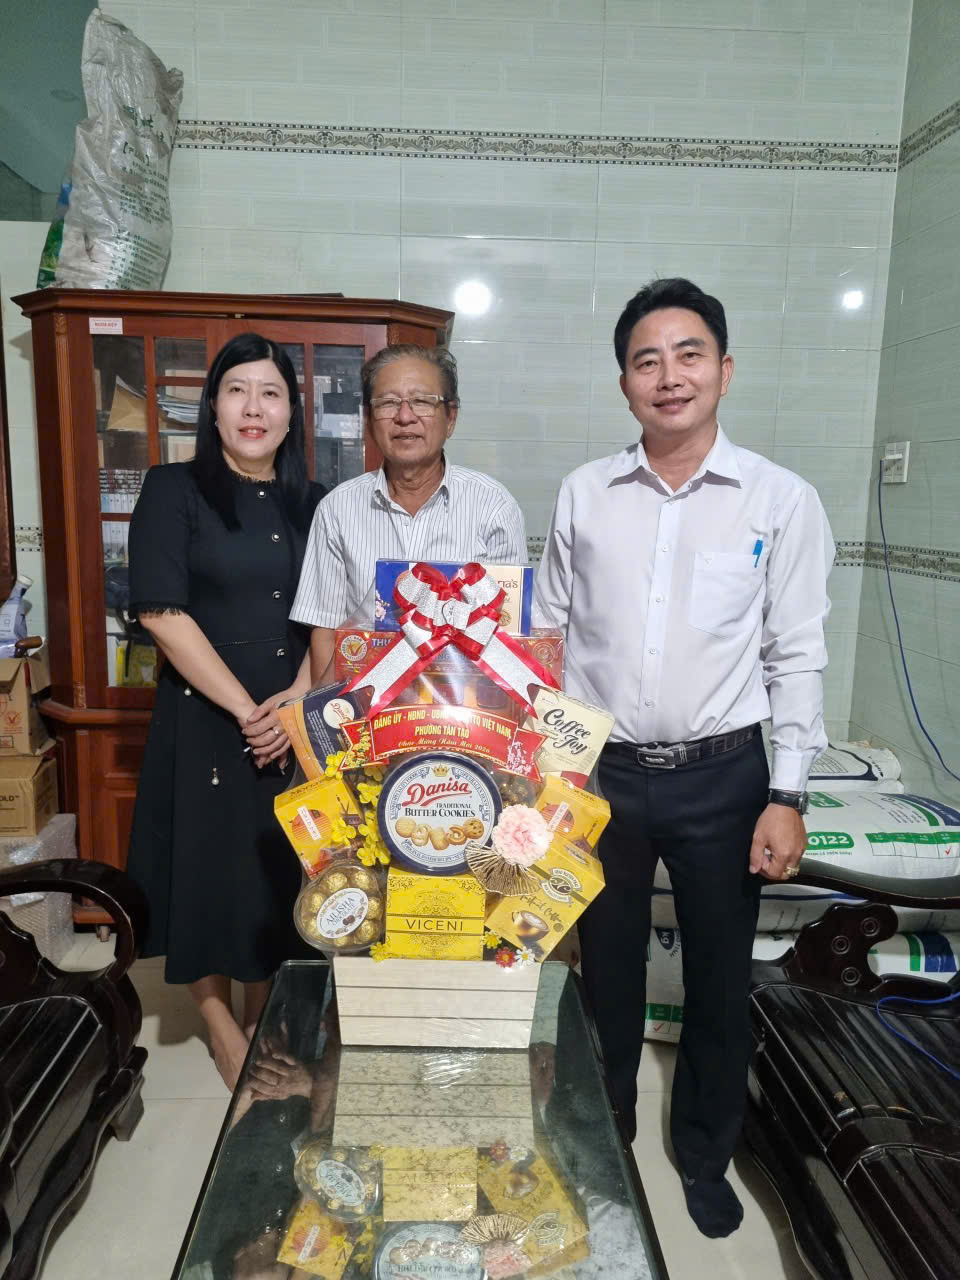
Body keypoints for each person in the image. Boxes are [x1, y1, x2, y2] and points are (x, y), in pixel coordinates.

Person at [536, 278, 834, 1239]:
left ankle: (705, 1155)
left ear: (724, 370)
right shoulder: (586, 494)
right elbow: (549, 642)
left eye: (689, 354)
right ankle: (607, 1142)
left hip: (724, 777)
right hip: (603, 776)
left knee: (717, 982)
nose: (669, 376)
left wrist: (788, 793)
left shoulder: (780, 500)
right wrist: (548, 778)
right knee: (604, 976)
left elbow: (797, 654)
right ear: (624, 381)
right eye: (647, 360)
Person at [127, 332, 325, 1091]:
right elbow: (160, 610)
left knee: (272, 870)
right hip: (208, 713)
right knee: (205, 869)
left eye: (270, 393)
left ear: (291, 413)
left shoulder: (315, 503)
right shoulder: (173, 489)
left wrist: (298, 696)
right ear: (212, 407)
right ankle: (220, 1029)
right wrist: (249, 710)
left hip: (294, 716)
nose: (253, 407)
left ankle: (263, 1009)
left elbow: (335, 614)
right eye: (237, 390)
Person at [290, 344, 527, 681]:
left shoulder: (493, 507)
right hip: (363, 705)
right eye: (387, 403)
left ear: (451, 418)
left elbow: (507, 631)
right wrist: (332, 707)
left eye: (422, 401)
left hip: (463, 705)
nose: (404, 417)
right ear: (369, 419)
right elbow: (325, 629)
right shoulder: (337, 509)